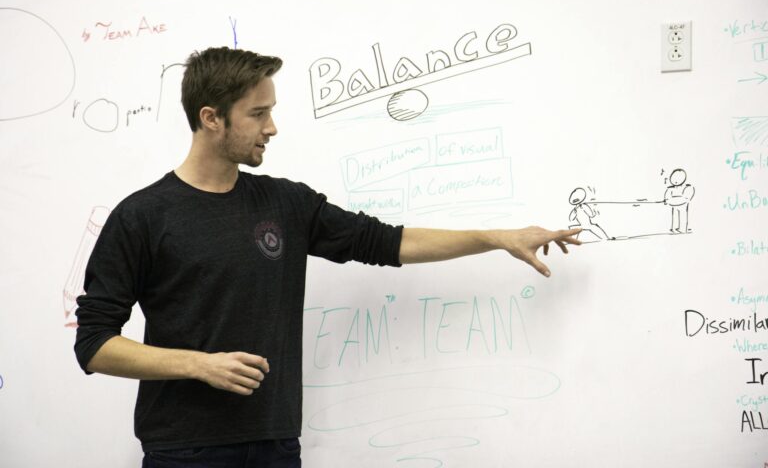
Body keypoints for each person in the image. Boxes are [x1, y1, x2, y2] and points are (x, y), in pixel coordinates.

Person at [74, 47, 582, 468]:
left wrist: (496, 237)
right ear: (211, 118)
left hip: (276, 444)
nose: (272, 127)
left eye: (270, 111)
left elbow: (386, 242)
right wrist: (198, 365)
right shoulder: (143, 216)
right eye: (257, 113)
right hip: (184, 450)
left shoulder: (285, 204)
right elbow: (94, 344)